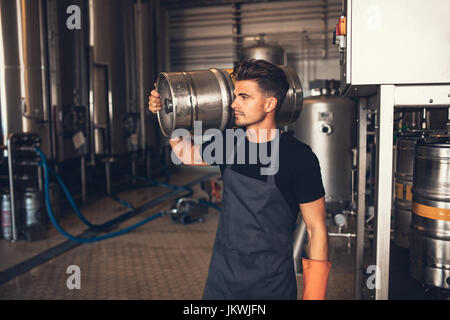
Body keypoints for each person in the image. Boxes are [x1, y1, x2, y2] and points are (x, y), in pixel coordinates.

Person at [149, 59, 331, 300]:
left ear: (270, 104)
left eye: (244, 97)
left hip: (270, 285)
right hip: (222, 279)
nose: (234, 104)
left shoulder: (298, 157)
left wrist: (314, 297)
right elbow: (184, 152)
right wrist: (167, 110)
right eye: (236, 96)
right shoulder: (229, 141)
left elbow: (316, 229)